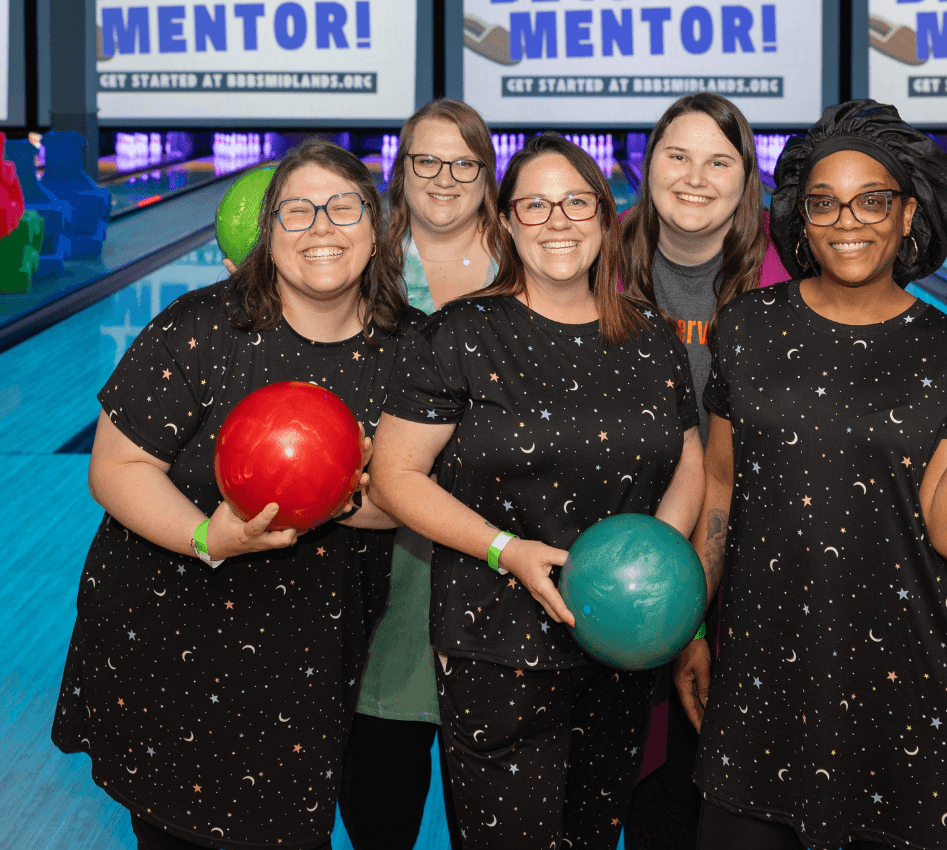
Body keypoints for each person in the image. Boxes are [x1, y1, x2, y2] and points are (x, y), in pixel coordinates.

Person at [681, 100, 947, 850]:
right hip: (761, 682)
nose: (849, 221)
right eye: (825, 203)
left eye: (872, 200)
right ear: (802, 222)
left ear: (908, 213)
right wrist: (690, 622)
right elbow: (720, 489)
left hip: (905, 684)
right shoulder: (746, 327)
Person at [51, 139, 414, 850]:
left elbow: (410, 490)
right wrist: (207, 537)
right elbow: (116, 468)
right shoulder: (198, 329)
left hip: (309, 655)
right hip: (168, 637)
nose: (321, 227)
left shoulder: (411, 352)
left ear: (376, 232)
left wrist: (337, 496)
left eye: (344, 208)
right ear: (267, 238)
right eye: (297, 212)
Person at [368, 133, 705, 850]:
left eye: (576, 201)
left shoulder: (649, 338)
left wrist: (657, 561)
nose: (558, 220)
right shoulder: (458, 335)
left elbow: (689, 465)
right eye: (536, 204)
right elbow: (395, 475)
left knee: (592, 835)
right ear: (507, 224)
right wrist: (506, 549)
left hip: (619, 644)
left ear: (605, 216)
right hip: (495, 641)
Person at [619, 92, 789, 850]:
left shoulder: (787, 281)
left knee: (731, 795)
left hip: (749, 565)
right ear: (647, 164)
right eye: (676, 156)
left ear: (746, 177)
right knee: (646, 786)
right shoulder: (595, 258)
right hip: (619, 550)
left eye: (718, 160)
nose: (695, 176)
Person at [341, 98, 505, 850]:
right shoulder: (355, 260)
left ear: (486, 173)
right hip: (381, 551)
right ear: (399, 169)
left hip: (499, 555)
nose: (444, 178)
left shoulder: (530, 255)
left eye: (463, 162)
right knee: (381, 796)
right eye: (425, 160)